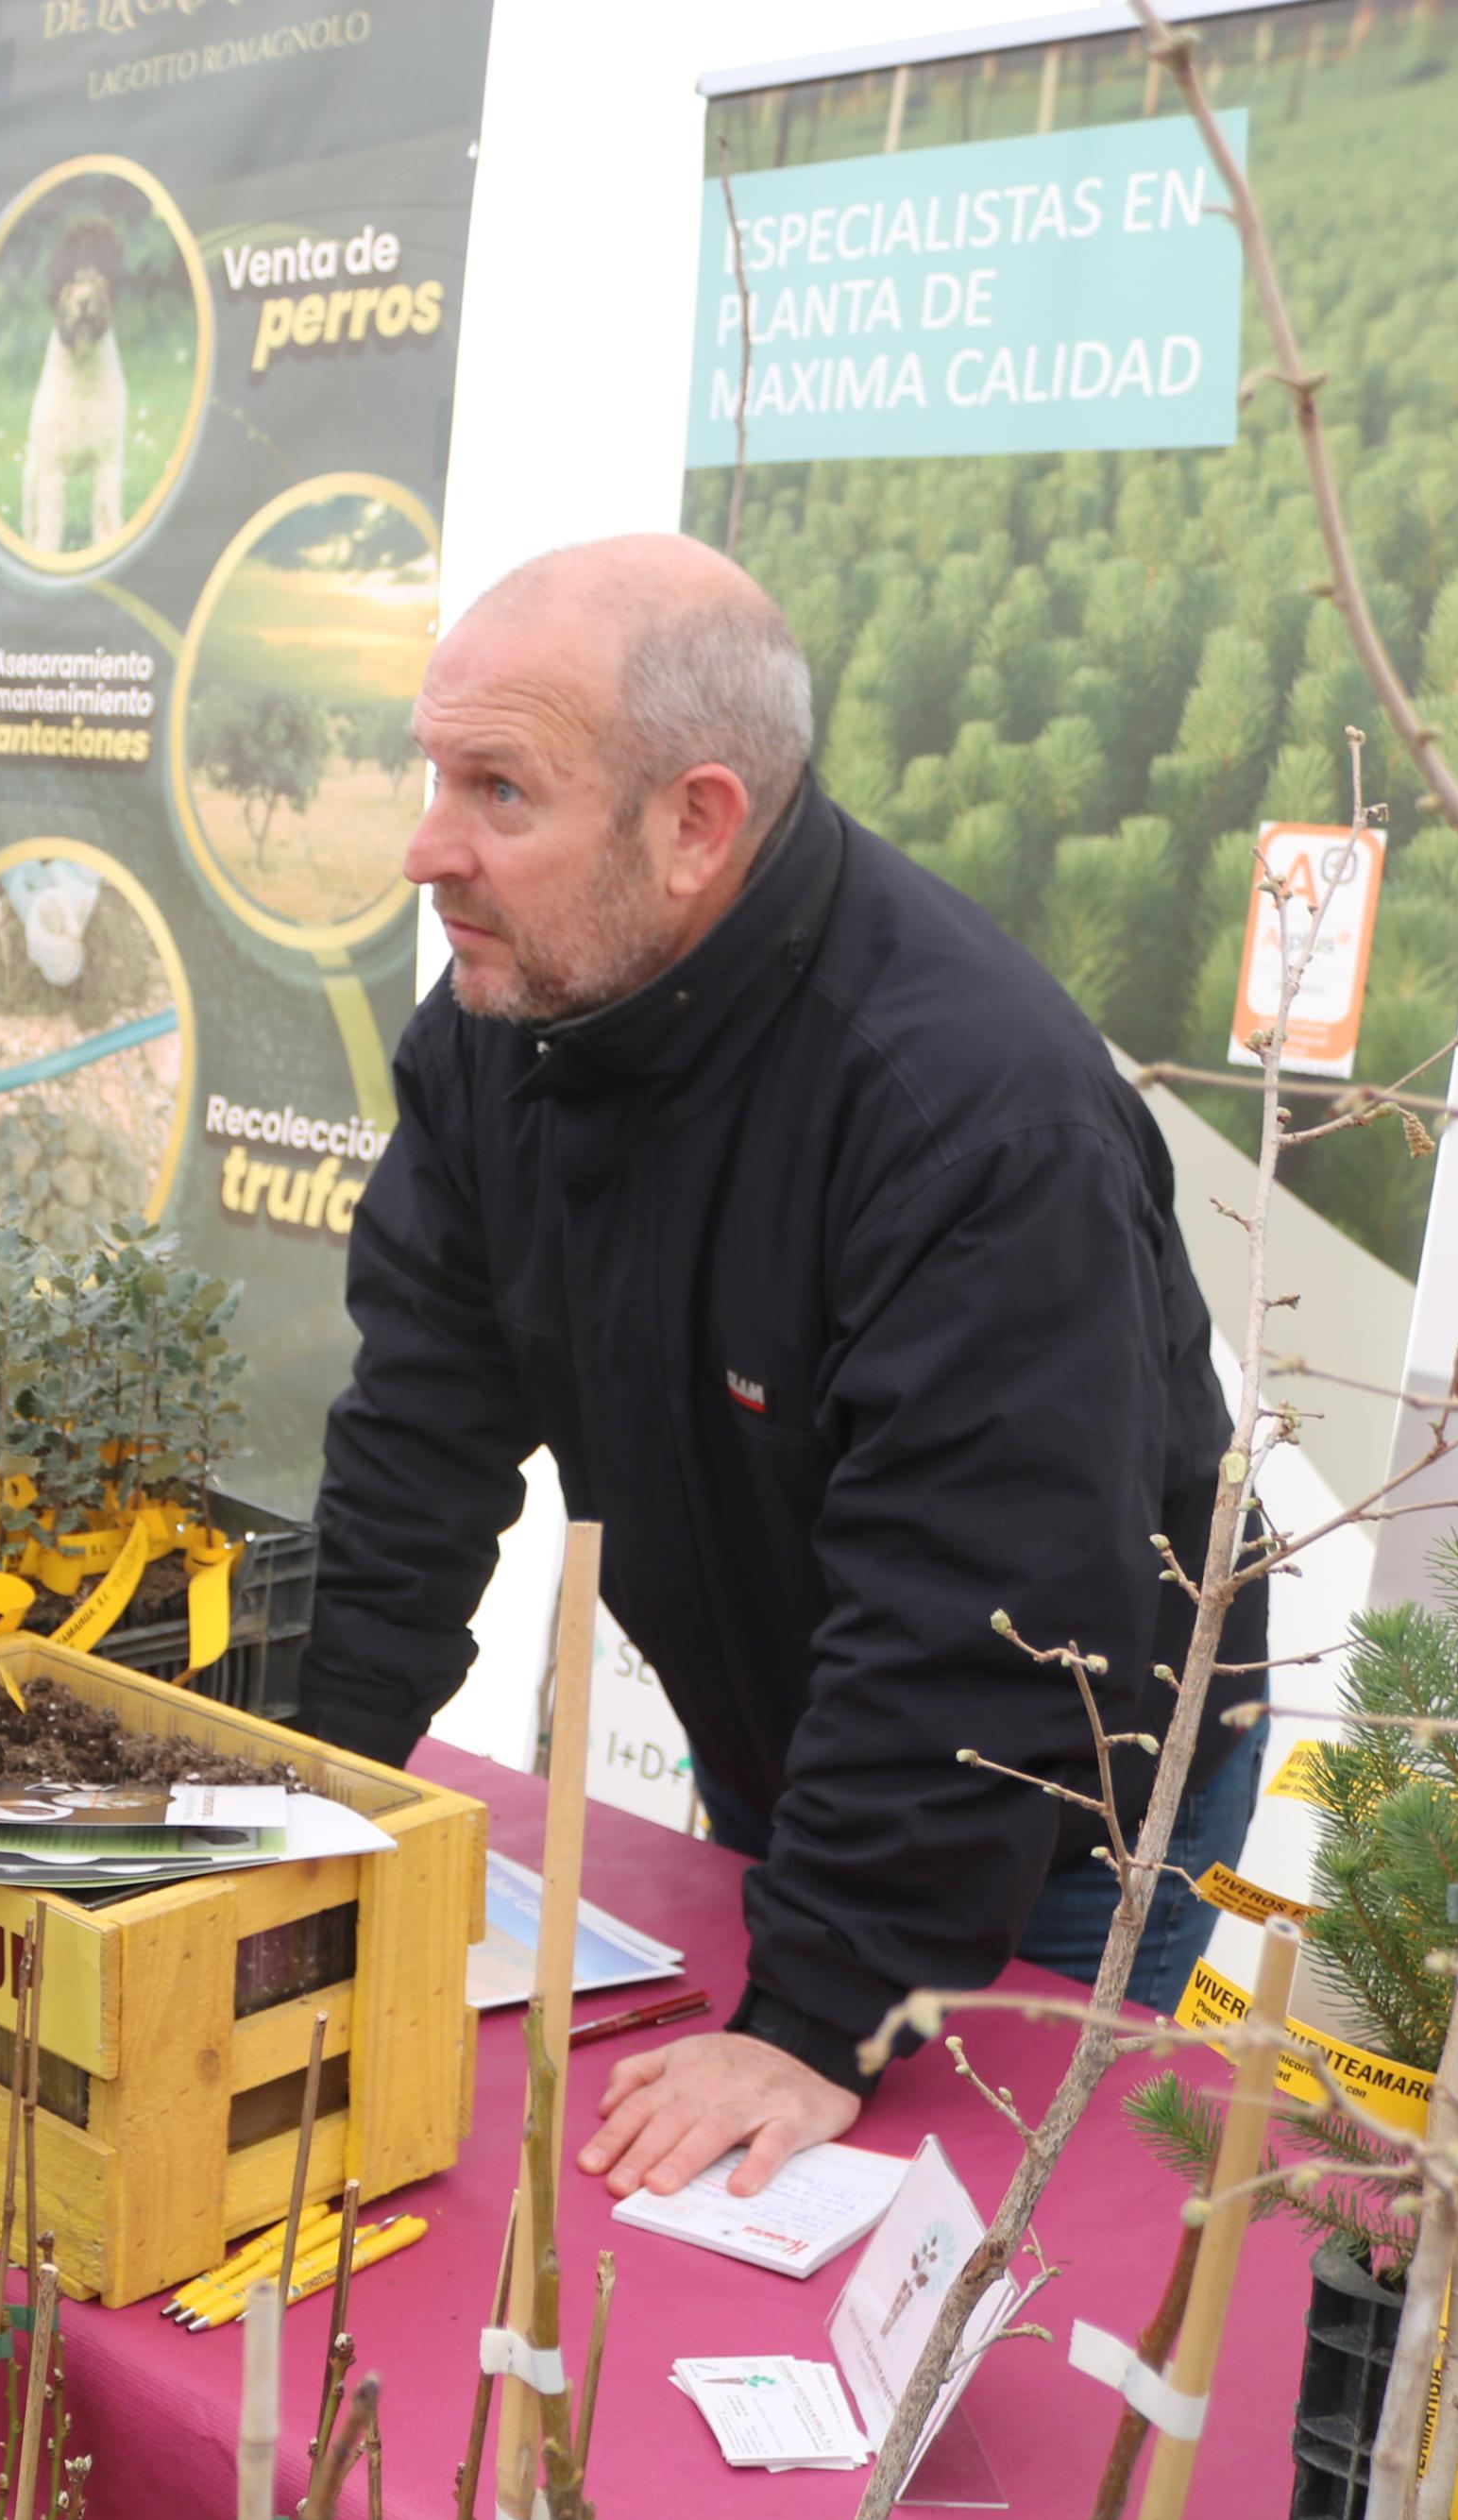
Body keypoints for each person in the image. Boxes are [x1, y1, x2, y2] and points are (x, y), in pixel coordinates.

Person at [297, 535, 1262, 2205]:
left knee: (958, 2235)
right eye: (432, 772)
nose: (423, 849)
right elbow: (414, 1448)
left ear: (694, 825)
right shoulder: (500, 1025)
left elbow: (984, 1616)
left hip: (1054, 1790)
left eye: (499, 793)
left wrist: (817, 2018)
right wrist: (304, 1805)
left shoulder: (966, 1114)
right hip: (812, 1738)